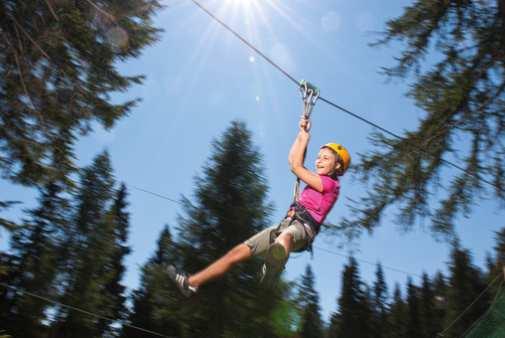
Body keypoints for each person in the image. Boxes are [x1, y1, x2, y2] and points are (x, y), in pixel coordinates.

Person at [167, 116, 350, 297]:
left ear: (337, 166)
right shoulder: (317, 180)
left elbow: (295, 166)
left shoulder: (331, 185)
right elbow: (292, 161)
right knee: (237, 253)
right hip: (285, 225)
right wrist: (301, 134)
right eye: (318, 157)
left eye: (325, 158)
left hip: (302, 229)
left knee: (285, 238)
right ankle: (190, 283)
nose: (319, 161)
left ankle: (271, 272)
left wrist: (305, 139)